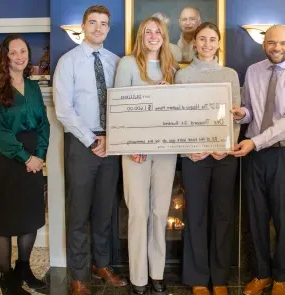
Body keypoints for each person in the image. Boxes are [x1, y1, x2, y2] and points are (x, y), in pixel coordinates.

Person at [229, 25, 285, 295]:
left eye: (282, 44)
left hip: (284, 154)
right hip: (254, 156)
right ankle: (262, 274)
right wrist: (240, 114)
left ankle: (280, 277)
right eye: (271, 43)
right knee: (256, 218)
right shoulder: (253, 71)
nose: (276, 48)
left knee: (282, 219)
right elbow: (252, 111)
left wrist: (255, 141)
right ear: (264, 44)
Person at [53, 5, 128, 295]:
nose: (98, 28)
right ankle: (79, 275)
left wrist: (112, 137)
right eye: (93, 22)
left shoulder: (116, 62)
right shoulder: (68, 62)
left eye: (104, 23)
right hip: (82, 145)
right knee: (79, 212)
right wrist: (92, 140)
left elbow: (124, 103)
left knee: (105, 210)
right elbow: (63, 109)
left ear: (109, 28)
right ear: (84, 26)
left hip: (112, 144)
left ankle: (102, 265)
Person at [114, 16, 179, 295]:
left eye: (158, 32)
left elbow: (176, 111)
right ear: (141, 36)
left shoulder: (171, 68)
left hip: (165, 152)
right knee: (138, 213)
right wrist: (131, 146)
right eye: (148, 32)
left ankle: (157, 274)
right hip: (135, 153)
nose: (153, 36)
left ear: (164, 37)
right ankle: (139, 278)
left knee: (159, 212)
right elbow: (119, 108)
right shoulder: (127, 64)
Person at [174, 22, 240, 295]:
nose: (207, 43)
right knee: (196, 215)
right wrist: (189, 150)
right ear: (194, 42)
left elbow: (235, 116)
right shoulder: (183, 76)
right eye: (202, 39)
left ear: (218, 42)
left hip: (224, 156)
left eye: (212, 39)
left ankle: (220, 278)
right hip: (195, 157)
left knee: (223, 216)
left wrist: (226, 145)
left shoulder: (230, 74)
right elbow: (178, 118)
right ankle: (198, 277)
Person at [0, 34, 49, 295]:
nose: (20, 56)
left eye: (24, 51)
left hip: (35, 156)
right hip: (9, 159)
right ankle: (6, 278)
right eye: (14, 52)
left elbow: (43, 123)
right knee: (7, 221)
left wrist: (39, 155)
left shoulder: (32, 87)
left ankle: (24, 269)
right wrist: (26, 158)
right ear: (5, 56)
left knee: (30, 218)